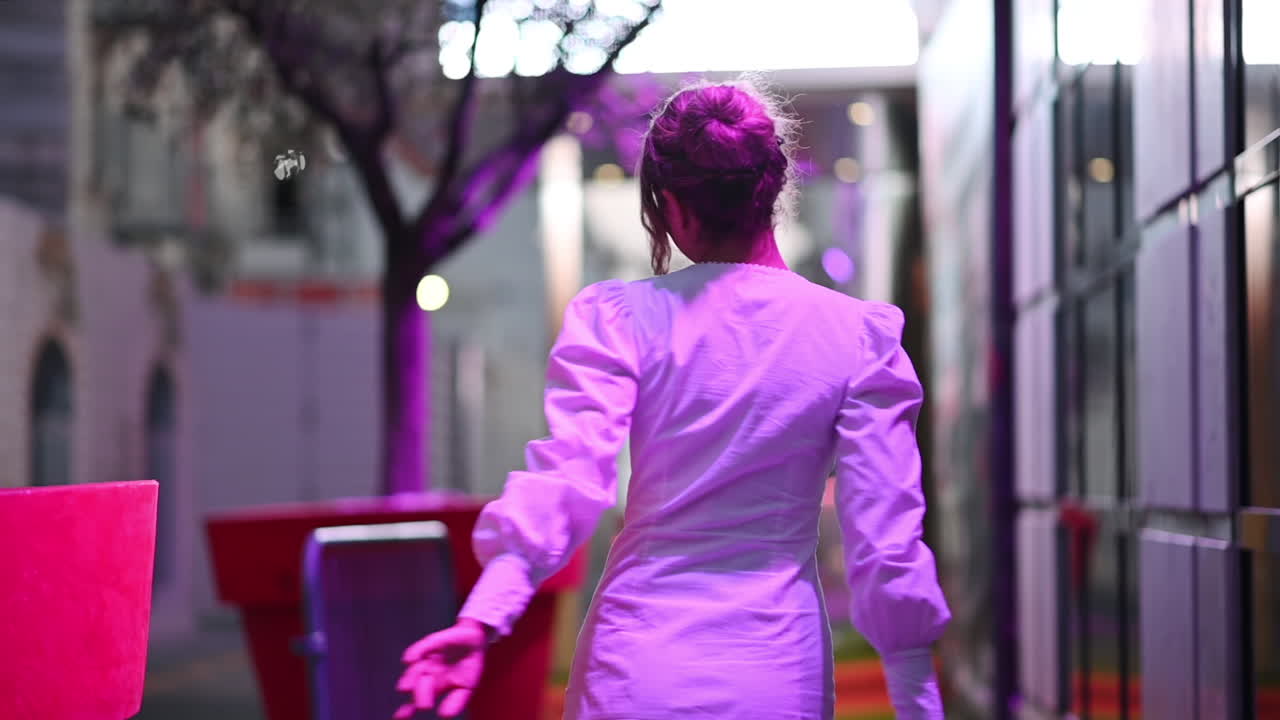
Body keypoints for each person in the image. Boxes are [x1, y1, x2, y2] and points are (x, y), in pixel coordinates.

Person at [394, 79, 951, 720]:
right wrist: (917, 697)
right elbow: (885, 541)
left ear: (673, 207)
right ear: (771, 190)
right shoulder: (858, 337)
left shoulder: (620, 318)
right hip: (774, 672)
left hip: (634, 667)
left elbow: (568, 484)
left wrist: (483, 619)